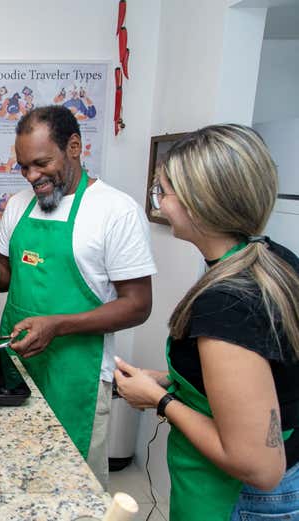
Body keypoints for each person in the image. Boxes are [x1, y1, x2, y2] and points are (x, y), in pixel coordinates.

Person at [113, 124, 299, 521]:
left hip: (242, 501)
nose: (159, 204)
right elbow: (265, 376)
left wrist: (159, 400)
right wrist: (171, 378)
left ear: (198, 204)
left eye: (162, 192)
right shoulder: (272, 258)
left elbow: (259, 466)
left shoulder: (226, 303)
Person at [0, 105, 155, 486]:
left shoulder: (116, 211)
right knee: (12, 474)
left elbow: (138, 305)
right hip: (16, 367)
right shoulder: (18, 206)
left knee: (70, 485)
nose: (31, 176)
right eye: (23, 167)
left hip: (77, 376)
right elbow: (4, 274)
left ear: (74, 146)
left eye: (41, 163)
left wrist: (59, 325)